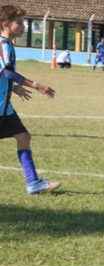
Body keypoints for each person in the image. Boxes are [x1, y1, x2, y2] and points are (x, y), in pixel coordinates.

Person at [0, 5, 61, 194]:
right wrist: (36, 85)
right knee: (23, 137)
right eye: (19, 23)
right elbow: (6, 71)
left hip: (4, 107)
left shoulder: (7, 44)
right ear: (5, 24)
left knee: (23, 137)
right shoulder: (2, 44)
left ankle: (33, 183)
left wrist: (14, 88)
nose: (23, 26)